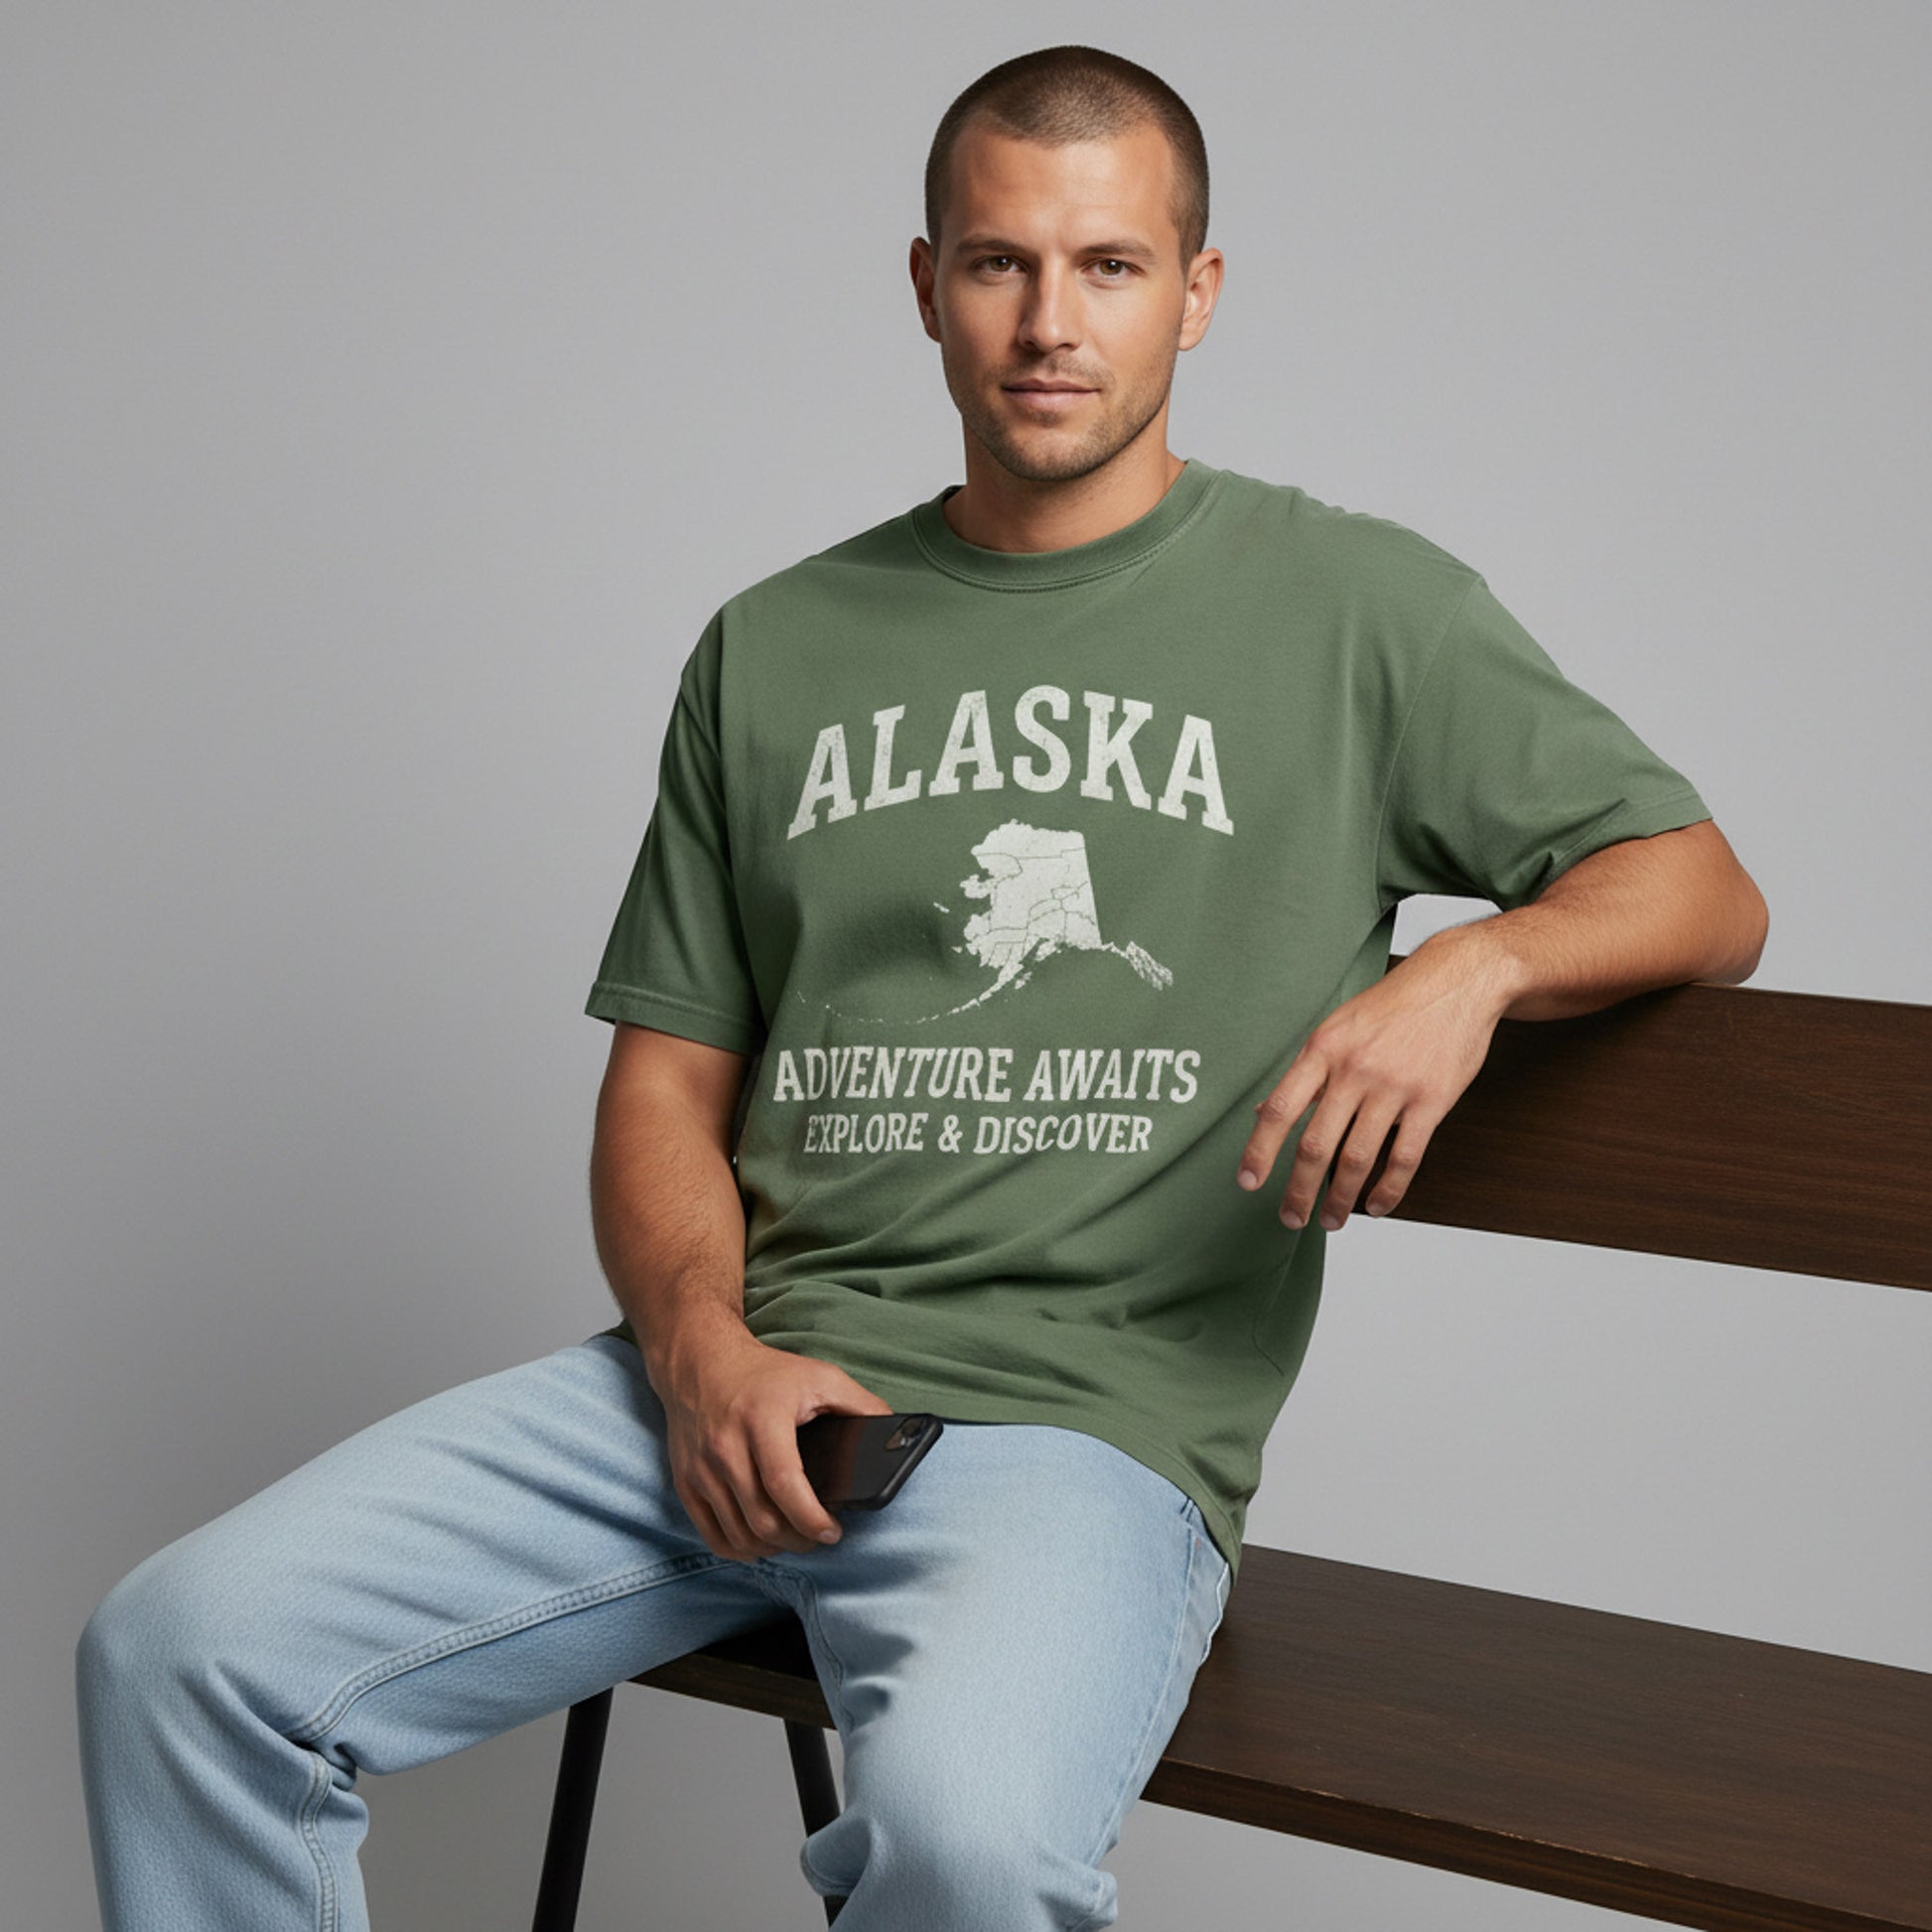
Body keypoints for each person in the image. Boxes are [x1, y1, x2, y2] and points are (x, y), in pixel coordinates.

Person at [73, 42, 1769, 1932]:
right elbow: (664, 1087)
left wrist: (1479, 962)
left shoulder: (1358, 611)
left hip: (1076, 1431)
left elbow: (1698, 889)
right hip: (731, 1385)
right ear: (926, 286)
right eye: (999, 263)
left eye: (1109, 266)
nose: (1050, 323)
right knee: (182, 1649)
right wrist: (701, 1348)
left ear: (1197, 294)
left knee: (966, 1840)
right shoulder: (776, 645)